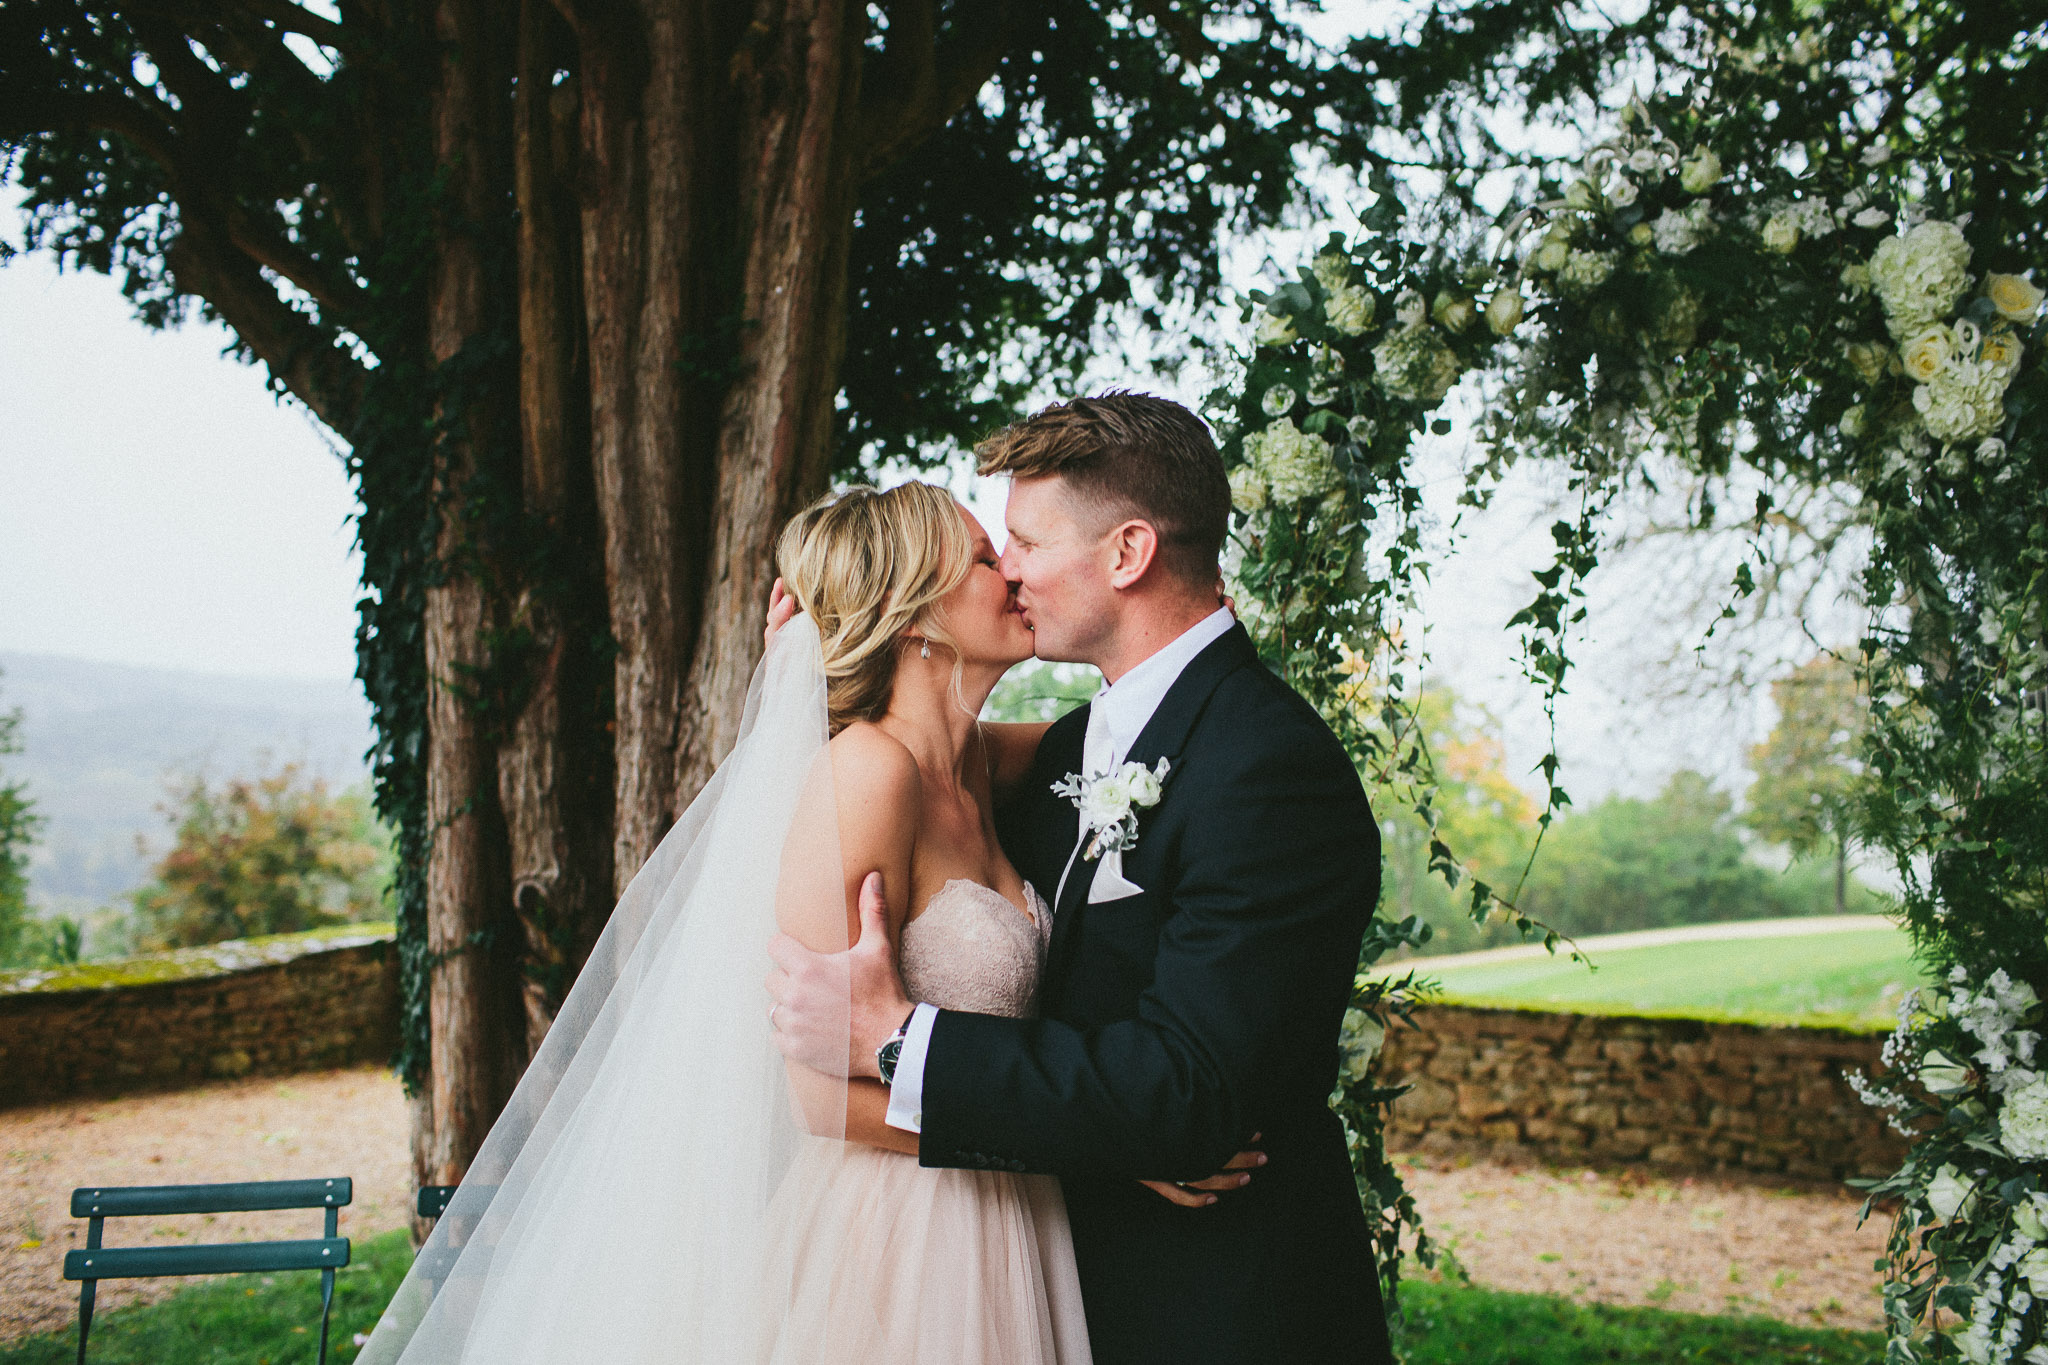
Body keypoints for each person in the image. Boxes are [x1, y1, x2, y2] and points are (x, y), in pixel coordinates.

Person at [355, 477, 1227, 1364]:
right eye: (978, 556)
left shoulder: (981, 764)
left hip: (1019, 1223)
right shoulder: (866, 775)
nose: (1008, 570)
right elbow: (815, 1097)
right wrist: (1107, 1145)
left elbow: (1147, 736)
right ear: (911, 613)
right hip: (903, 1242)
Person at [766, 392, 1394, 1365]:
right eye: (992, 550)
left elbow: (1186, 1096)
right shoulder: (1075, 746)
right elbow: (898, 752)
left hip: (1219, 1311)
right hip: (956, 1275)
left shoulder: (1265, 766)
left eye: (1021, 540)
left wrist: (896, 1038)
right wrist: (820, 646)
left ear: (1126, 555)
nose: (1009, 568)